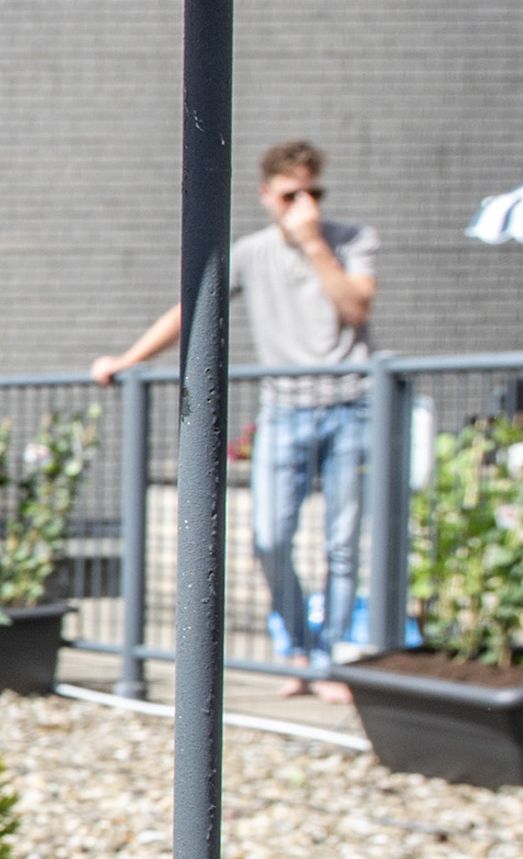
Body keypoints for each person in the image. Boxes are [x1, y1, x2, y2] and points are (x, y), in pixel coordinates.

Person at [90, 139, 381, 692]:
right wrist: (128, 359)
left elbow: (355, 306)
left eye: (314, 193)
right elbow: (192, 306)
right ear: (266, 195)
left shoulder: (351, 241)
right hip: (284, 411)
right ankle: (298, 652)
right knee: (269, 538)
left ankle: (333, 663)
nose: (305, 205)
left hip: (350, 407)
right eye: (292, 194)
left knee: (342, 544)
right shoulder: (250, 252)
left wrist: (314, 244)